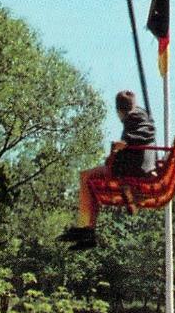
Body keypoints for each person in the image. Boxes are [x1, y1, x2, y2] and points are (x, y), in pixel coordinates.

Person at [60, 89, 156, 250]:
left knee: (85, 177)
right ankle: (88, 229)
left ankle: (85, 228)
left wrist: (124, 142)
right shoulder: (141, 115)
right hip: (134, 166)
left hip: (130, 170)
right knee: (93, 185)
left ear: (119, 111)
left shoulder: (134, 117)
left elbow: (144, 133)